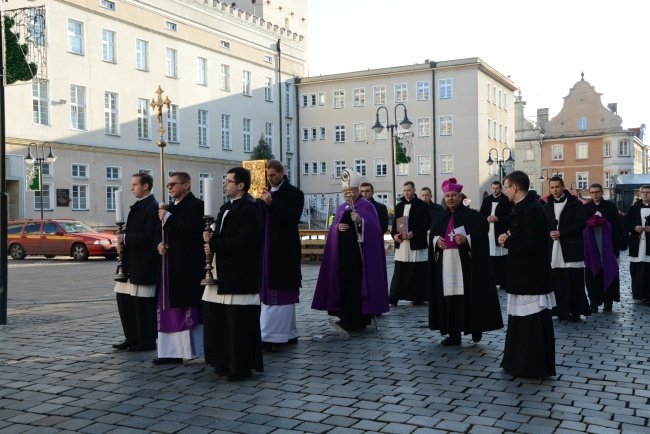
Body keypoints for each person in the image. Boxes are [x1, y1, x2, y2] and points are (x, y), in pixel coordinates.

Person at [312, 169, 389, 338]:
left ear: (357, 191)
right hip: (343, 256)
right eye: (344, 192)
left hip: (360, 257)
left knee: (356, 287)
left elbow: (375, 230)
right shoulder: (342, 208)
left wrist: (361, 222)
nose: (346, 194)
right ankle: (345, 316)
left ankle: (358, 319)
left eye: (350, 191)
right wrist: (337, 228)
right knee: (344, 285)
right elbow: (333, 228)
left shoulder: (367, 207)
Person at [203, 167, 264, 381]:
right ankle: (222, 360)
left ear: (240, 185)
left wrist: (216, 243)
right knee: (219, 321)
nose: (224, 184)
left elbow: (248, 241)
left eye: (228, 181)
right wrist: (211, 237)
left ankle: (240, 366)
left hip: (240, 275)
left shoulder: (250, 209)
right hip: (223, 273)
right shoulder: (225, 208)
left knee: (238, 324)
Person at [428, 178, 503, 346]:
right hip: (446, 264)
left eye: (453, 195)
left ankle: (475, 328)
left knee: (469, 297)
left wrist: (467, 239)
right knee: (450, 299)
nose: (450, 199)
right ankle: (454, 335)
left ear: (460, 196)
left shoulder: (473, 216)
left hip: (467, 265)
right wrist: (437, 241)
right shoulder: (439, 216)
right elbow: (433, 236)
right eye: (447, 195)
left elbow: (482, 238)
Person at [498, 171, 556, 378]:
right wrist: (510, 237)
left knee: (531, 323)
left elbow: (532, 244)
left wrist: (507, 241)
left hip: (530, 277)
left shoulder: (532, 209)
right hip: (521, 275)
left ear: (515, 187)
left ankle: (531, 365)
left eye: (505, 187)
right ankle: (518, 362)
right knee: (520, 323)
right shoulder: (522, 209)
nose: (504, 191)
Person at [154, 172, 205, 365]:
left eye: (173, 184)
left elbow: (192, 231)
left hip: (187, 266)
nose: (170, 188)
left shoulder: (197, 206)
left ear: (186, 185)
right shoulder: (167, 209)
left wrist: (170, 219)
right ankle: (169, 351)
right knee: (167, 306)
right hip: (168, 265)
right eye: (168, 185)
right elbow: (157, 234)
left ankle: (187, 350)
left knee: (184, 307)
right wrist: (159, 244)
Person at [258, 160, 304, 351]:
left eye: (273, 175)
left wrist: (272, 204)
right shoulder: (263, 193)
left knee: (280, 289)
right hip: (265, 246)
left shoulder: (294, 193)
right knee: (269, 288)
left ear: (282, 172)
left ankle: (271, 336)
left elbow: (292, 217)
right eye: (268, 176)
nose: (270, 179)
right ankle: (289, 332)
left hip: (283, 248)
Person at [112, 173, 160, 352]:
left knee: (143, 305)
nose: (132, 189)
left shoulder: (152, 207)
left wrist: (124, 238)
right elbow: (133, 231)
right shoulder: (139, 206)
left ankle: (147, 341)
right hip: (130, 263)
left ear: (146, 186)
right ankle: (131, 337)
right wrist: (121, 238)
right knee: (124, 300)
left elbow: (148, 236)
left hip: (144, 264)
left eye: (135, 185)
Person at [543, 177, 590, 322]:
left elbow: (581, 223)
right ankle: (560, 310)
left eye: (557, 187)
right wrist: (550, 232)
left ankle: (575, 310)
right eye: (552, 187)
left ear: (563, 187)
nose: (555, 190)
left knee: (574, 280)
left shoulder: (575, 204)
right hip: (554, 247)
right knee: (558, 280)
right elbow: (544, 224)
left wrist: (562, 232)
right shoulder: (547, 205)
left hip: (571, 246)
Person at [390, 181, 431, 306]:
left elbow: (427, 224)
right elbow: (395, 224)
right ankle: (394, 296)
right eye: (404, 191)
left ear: (414, 190)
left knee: (418, 271)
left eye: (409, 190)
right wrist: (394, 235)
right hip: (402, 244)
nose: (406, 193)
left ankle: (418, 297)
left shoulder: (422, 206)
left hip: (416, 243)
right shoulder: (399, 206)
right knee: (399, 271)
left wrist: (414, 232)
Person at [584, 183, 623, 312]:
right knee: (592, 274)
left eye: (597, 191)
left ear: (602, 192)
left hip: (608, 246)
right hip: (591, 247)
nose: (595, 194)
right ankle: (594, 302)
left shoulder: (610, 207)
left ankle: (608, 302)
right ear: (590, 194)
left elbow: (617, 227)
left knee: (609, 271)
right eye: (592, 192)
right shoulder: (585, 208)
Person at [479, 181, 512, 288]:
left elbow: (510, 217)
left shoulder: (506, 200)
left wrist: (498, 219)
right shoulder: (487, 200)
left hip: (500, 232)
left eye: (497, 188)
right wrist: (486, 218)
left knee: (502, 259)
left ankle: (503, 281)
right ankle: (492, 281)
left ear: (501, 188)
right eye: (493, 188)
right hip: (489, 233)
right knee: (490, 258)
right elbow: (481, 215)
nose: (494, 190)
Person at [627, 185, 650, 304]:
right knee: (636, 269)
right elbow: (627, 223)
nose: (645, 194)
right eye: (643, 192)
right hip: (637, 244)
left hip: (649, 244)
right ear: (640, 193)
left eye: (648, 192)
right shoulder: (634, 208)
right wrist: (635, 227)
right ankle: (638, 293)